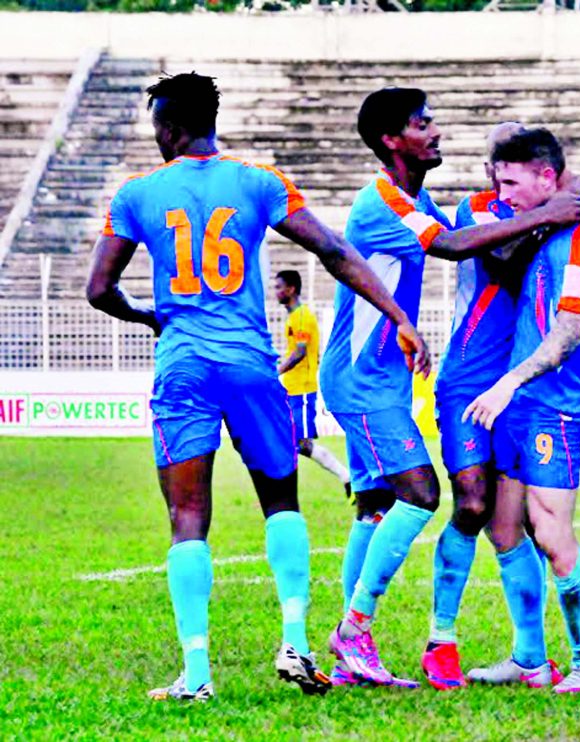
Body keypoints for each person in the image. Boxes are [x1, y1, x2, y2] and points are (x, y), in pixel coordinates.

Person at [86, 72, 428, 702]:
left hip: (183, 363)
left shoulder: (136, 194)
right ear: (212, 120)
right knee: (281, 501)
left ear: (166, 126)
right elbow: (332, 249)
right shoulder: (260, 180)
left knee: (187, 518)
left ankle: (195, 675)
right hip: (250, 361)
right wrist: (400, 316)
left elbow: (99, 290)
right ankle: (295, 640)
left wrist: (151, 315)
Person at [320, 89, 580, 690]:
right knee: (433, 496)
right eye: (424, 124)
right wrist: (551, 212)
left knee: (385, 506)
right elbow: (455, 247)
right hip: (375, 378)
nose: (437, 131)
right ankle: (371, 631)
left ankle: (359, 657)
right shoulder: (396, 200)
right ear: (393, 139)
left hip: (404, 376)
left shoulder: (421, 199)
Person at [464, 128, 580, 693]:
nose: (502, 191)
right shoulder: (542, 232)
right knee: (504, 529)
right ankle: (530, 658)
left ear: (546, 179)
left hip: (552, 409)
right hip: (518, 407)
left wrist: (509, 381)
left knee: (553, 534)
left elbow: (570, 330)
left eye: (511, 181)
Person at [427, 121, 566, 690]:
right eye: (493, 164)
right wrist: (552, 214)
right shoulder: (475, 209)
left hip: (519, 387)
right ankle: (441, 640)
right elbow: (504, 262)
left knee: (518, 525)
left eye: (508, 168)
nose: (497, 177)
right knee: (473, 503)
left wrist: (562, 207)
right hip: (466, 380)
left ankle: (530, 657)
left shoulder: (547, 208)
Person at [275, 270, 351, 497]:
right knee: (290, 441)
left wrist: (276, 371)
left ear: (291, 289)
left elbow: (299, 353)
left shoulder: (302, 317)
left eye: (279, 287)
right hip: (291, 389)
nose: (276, 292)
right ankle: (346, 477)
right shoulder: (294, 317)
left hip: (303, 390)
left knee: (299, 443)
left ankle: (347, 477)